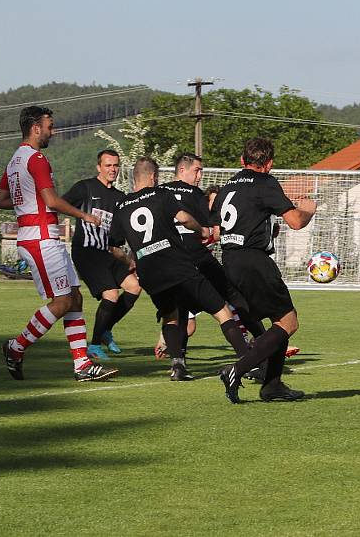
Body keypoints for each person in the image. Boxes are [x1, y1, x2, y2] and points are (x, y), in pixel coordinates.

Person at [108, 157, 282, 396]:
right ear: (153, 177)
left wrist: (132, 262)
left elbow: (113, 247)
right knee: (223, 311)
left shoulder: (121, 205)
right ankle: (248, 361)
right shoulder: (160, 194)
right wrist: (201, 230)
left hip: (149, 270)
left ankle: (177, 366)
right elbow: (183, 218)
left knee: (171, 317)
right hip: (176, 264)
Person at [0, 106, 117, 381]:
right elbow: (51, 201)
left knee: (75, 298)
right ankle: (16, 347)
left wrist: (27, 201)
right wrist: (85, 214)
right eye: (50, 126)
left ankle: (82, 364)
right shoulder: (36, 159)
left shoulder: (15, 160)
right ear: (36, 128)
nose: (54, 131)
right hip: (41, 238)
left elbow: (1, 200)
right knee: (62, 300)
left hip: (39, 236)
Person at [211, 137, 315, 401]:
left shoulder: (228, 186)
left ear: (242, 161)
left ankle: (272, 386)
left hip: (230, 260)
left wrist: (264, 228)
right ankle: (237, 369)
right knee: (288, 322)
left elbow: (215, 231)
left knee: (276, 321)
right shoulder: (265, 182)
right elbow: (295, 222)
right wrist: (307, 210)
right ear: (268, 164)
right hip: (253, 261)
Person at [62, 149, 141, 360]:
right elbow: (61, 204)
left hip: (108, 253)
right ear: (99, 167)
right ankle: (94, 346)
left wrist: (129, 256)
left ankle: (106, 328)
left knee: (134, 287)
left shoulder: (120, 198)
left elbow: (122, 232)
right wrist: (82, 215)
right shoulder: (85, 187)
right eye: (108, 165)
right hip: (86, 252)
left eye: (116, 165)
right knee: (111, 294)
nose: (113, 169)